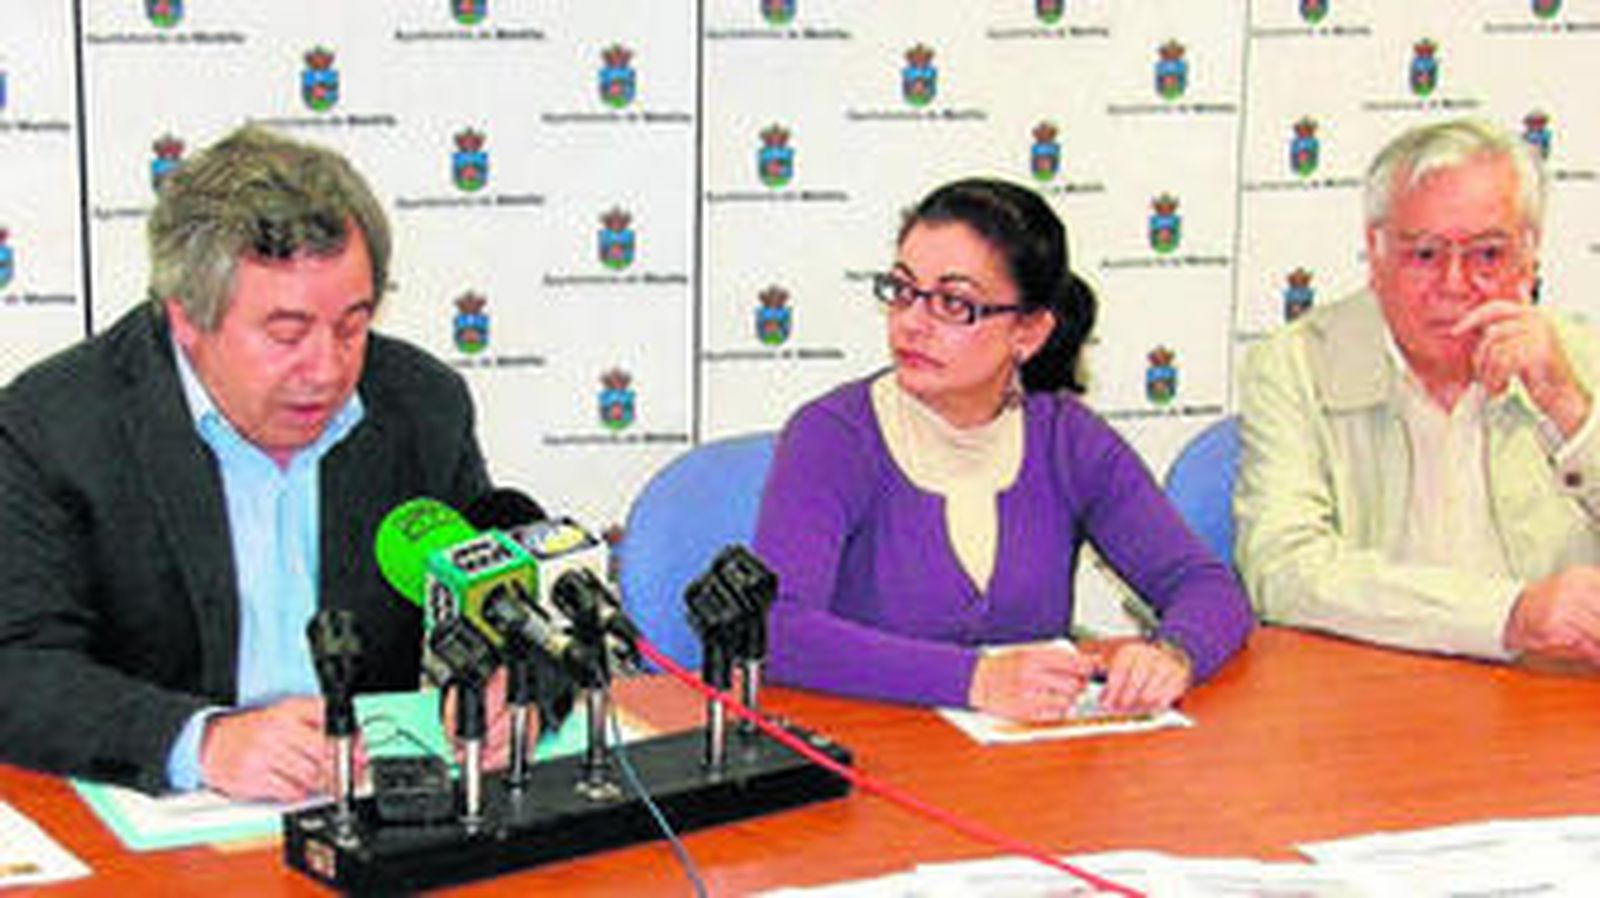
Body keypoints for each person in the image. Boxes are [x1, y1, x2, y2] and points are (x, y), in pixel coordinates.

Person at [0, 126, 494, 800]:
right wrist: (201, 740)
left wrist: (508, 684)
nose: (327, 368)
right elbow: (19, 667)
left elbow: (491, 594)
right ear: (186, 318)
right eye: (287, 333)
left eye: (353, 324)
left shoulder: (423, 407)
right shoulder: (57, 430)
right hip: (166, 831)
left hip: (379, 815)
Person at [752, 178, 1253, 721]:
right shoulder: (833, 437)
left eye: (953, 303)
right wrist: (974, 679)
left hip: (1024, 778)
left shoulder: (1068, 440)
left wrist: (1174, 654)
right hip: (868, 761)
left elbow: (1205, 586)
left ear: (1028, 333)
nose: (912, 322)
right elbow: (777, 629)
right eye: (902, 290)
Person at [1235, 117, 1600, 665]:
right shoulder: (1295, 365)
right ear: (1375, 251)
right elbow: (1284, 570)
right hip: (1378, 691)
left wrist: (1570, 409)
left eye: (1488, 254)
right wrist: (1507, 615)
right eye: (1425, 254)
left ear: (1531, 253)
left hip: (1554, 693)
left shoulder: (1579, 356)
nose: (1455, 283)